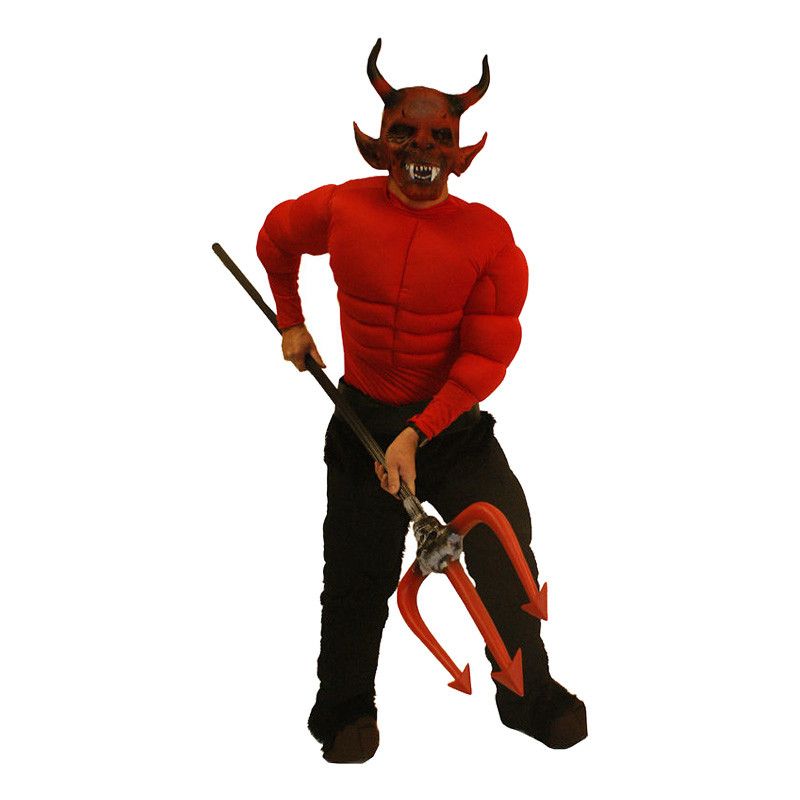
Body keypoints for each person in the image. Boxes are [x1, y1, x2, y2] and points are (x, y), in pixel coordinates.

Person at [256, 39, 587, 763]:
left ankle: (527, 695)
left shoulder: (488, 238)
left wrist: (418, 433)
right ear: (381, 141)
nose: (421, 150)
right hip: (362, 421)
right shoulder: (340, 207)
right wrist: (291, 321)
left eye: (439, 136)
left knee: (506, 546)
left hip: (452, 426)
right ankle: (343, 708)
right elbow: (276, 239)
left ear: (460, 150)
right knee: (356, 574)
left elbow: (486, 357)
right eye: (405, 133)